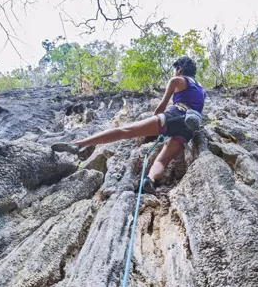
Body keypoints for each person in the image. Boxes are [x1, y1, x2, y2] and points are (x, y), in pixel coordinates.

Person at [51, 56, 206, 194]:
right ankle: (150, 180)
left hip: (175, 115)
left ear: (179, 69)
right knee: (161, 160)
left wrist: (155, 123)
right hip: (189, 129)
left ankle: (79, 144)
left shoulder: (177, 80)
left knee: (125, 130)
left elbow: (161, 107)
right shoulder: (202, 90)